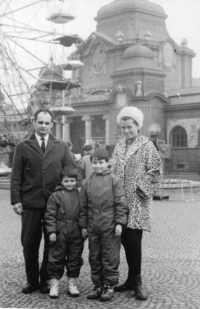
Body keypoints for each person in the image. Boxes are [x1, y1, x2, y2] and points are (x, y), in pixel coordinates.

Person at [10, 108, 77, 294]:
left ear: (52, 124)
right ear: (34, 122)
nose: (43, 126)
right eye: (40, 122)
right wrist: (16, 199)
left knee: (52, 242)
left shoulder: (61, 145)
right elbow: (16, 175)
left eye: (47, 123)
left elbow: (70, 170)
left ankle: (47, 279)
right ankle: (32, 280)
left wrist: (67, 196)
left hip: (54, 203)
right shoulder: (23, 146)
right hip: (30, 202)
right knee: (29, 242)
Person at [111, 106, 162, 300]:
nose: (126, 131)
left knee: (134, 242)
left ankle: (137, 281)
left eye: (129, 127)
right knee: (124, 240)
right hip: (120, 202)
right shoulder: (119, 146)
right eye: (123, 127)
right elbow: (113, 169)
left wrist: (140, 189)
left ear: (138, 125)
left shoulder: (147, 145)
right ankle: (131, 279)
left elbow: (156, 170)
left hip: (137, 202)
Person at [80, 148, 128, 302]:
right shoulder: (86, 182)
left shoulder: (114, 180)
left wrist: (120, 222)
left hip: (110, 224)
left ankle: (109, 285)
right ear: (91, 163)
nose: (98, 166)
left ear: (108, 163)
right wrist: (83, 226)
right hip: (93, 224)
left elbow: (121, 203)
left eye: (101, 162)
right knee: (94, 256)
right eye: (95, 163)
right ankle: (98, 284)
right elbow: (83, 207)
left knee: (109, 256)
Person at [45, 166, 84, 299]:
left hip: (76, 230)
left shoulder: (80, 195)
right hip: (60, 230)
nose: (69, 184)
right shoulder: (55, 196)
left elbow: (84, 212)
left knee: (74, 257)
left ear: (76, 181)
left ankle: (72, 283)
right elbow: (50, 215)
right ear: (61, 181)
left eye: (72, 181)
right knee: (56, 257)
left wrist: (84, 228)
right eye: (66, 181)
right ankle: (54, 284)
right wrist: (51, 231)